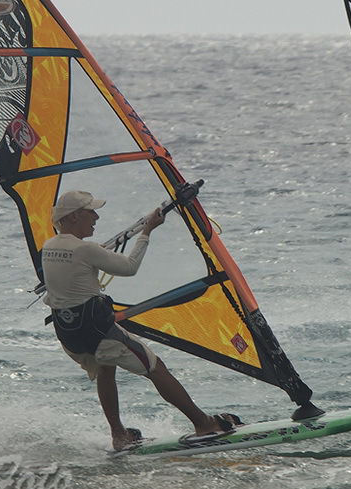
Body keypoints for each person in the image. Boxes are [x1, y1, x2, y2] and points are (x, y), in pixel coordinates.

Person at [41, 190, 240, 451]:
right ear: (75, 216)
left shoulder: (50, 246)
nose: (96, 217)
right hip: (98, 331)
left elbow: (75, 268)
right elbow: (129, 267)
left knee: (105, 369)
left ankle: (119, 435)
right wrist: (147, 231)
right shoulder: (86, 249)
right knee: (156, 368)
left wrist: (98, 254)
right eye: (91, 211)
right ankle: (204, 423)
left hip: (69, 333)